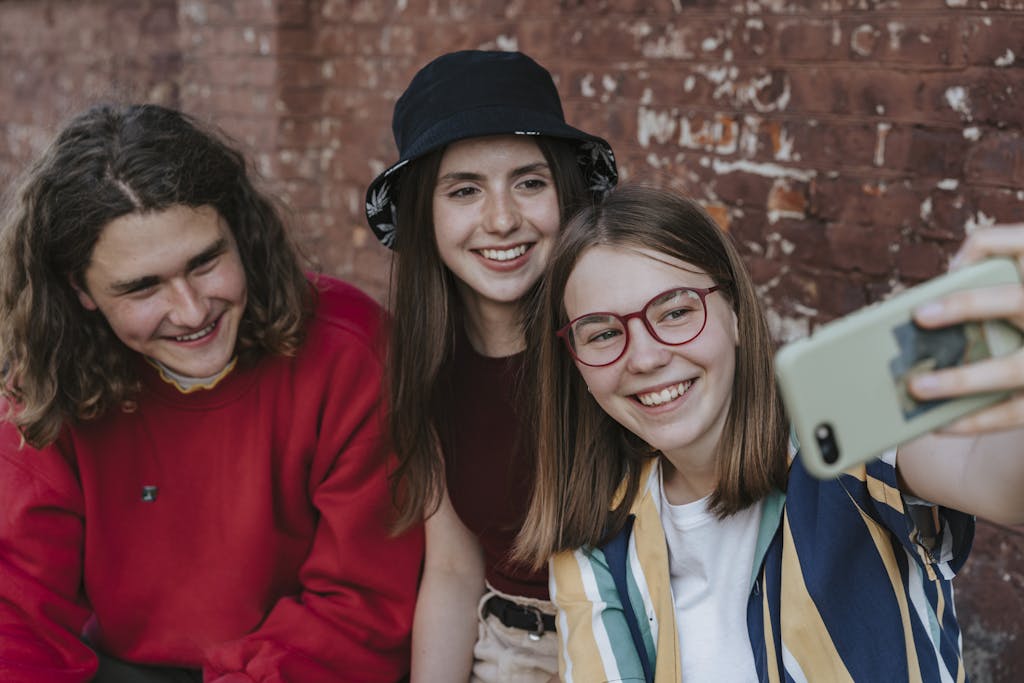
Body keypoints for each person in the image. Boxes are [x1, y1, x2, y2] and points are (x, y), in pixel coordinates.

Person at [517, 184, 1024, 682]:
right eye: (604, 333)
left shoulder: (841, 431)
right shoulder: (592, 531)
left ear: (734, 314)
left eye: (675, 312)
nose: (645, 358)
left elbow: (998, 481)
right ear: (576, 363)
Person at [0, 103, 423, 683]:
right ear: (80, 289)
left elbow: (364, 608)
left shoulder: (350, 352)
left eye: (205, 262)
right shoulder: (44, 384)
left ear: (239, 234)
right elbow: (15, 618)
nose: (192, 310)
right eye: (143, 287)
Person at [363, 50, 617, 682]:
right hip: (507, 648)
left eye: (530, 182)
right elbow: (452, 571)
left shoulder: (620, 340)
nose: (502, 219)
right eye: (465, 190)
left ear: (567, 192)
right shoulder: (427, 368)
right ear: (424, 210)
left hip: (638, 640)